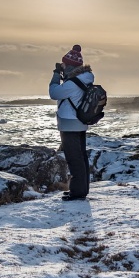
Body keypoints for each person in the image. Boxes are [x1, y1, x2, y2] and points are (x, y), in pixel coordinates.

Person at [49, 44, 94, 201]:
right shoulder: (84, 79)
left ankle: (77, 192)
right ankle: (81, 190)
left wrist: (56, 74)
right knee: (80, 157)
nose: (63, 67)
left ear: (70, 66)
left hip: (69, 123)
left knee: (74, 158)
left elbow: (53, 93)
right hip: (80, 121)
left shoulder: (72, 83)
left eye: (65, 64)